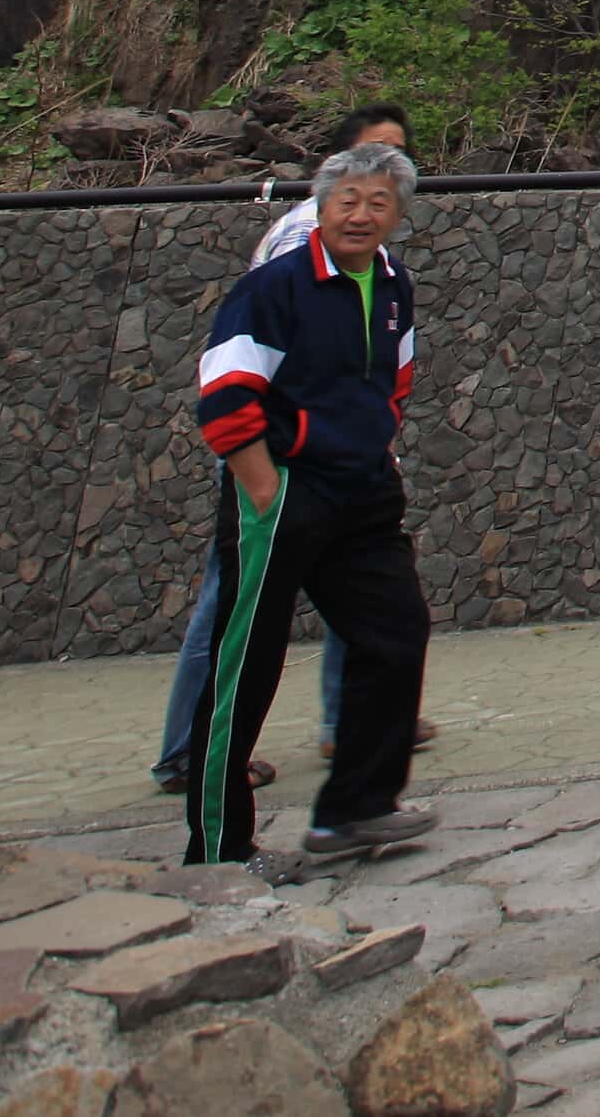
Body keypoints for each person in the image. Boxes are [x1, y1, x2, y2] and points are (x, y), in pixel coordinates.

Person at [155, 107, 423, 797]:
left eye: (392, 165)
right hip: (278, 469)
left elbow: (388, 376)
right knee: (237, 618)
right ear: (329, 180)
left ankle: (352, 764)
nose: (368, 196)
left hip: (350, 475)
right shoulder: (295, 252)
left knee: (380, 622)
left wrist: (370, 447)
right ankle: (194, 759)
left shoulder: (388, 277)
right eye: (365, 163)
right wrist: (264, 482)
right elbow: (238, 380)